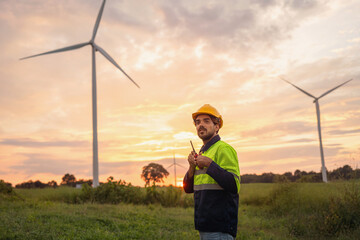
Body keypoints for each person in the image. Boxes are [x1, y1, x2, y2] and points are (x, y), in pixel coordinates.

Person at [183, 104, 240, 240]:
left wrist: (209, 165)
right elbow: (188, 189)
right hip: (205, 226)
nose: (200, 125)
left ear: (216, 126)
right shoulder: (203, 153)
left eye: (206, 121)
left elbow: (234, 185)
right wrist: (192, 167)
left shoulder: (224, 149)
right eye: (197, 122)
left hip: (220, 228)